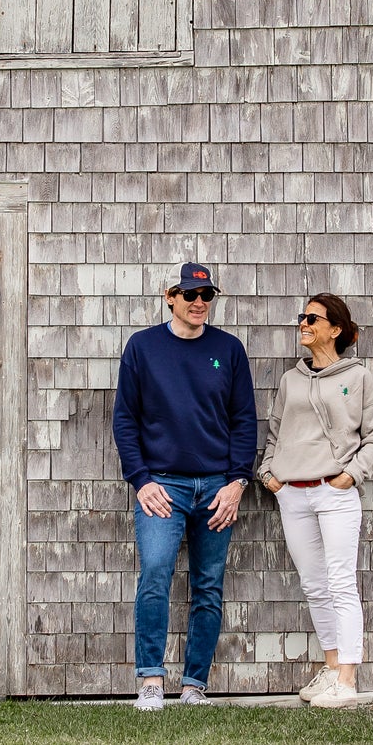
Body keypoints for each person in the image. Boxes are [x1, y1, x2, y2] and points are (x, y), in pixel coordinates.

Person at [113, 261, 258, 711]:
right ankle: (151, 681)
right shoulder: (142, 347)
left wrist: (237, 482)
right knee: (156, 573)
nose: (199, 303)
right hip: (163, 486)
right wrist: (141, 480)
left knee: (208, 584)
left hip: (217, 488)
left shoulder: (229, 350)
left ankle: (195, 684)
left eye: (206, 295)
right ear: (170, 296)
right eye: (190, 294)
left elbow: (244, 421)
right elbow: (125, 420)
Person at [258, 293, 373, 708]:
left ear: (335, 329)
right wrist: (269, 476)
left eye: (313, 318)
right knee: (315, 586)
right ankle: (331, 668)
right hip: (292, 495)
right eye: (303, 317)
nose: (304, 323)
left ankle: (347, 679)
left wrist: (350, 475)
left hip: (335, 494)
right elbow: (275, 433)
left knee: (341, 583)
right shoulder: (290, 380)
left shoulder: (359, 377)